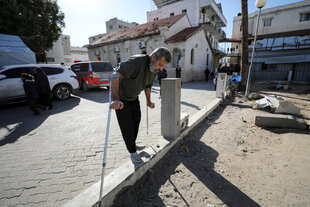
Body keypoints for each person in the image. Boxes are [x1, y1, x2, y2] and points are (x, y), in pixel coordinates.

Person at [110, 47, 171, 163]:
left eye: (163, 66)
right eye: (160, 64)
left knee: (136, 123)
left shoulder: (154, 70)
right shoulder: (137, 62)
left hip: (134, 98)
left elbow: (148, 86)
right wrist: (114, 99)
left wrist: (148, 101)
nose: (161, 68)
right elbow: (115, 76)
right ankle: (132, 152)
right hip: (122, 99)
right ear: (153, 57)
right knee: (127, 127)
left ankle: (132, 144)